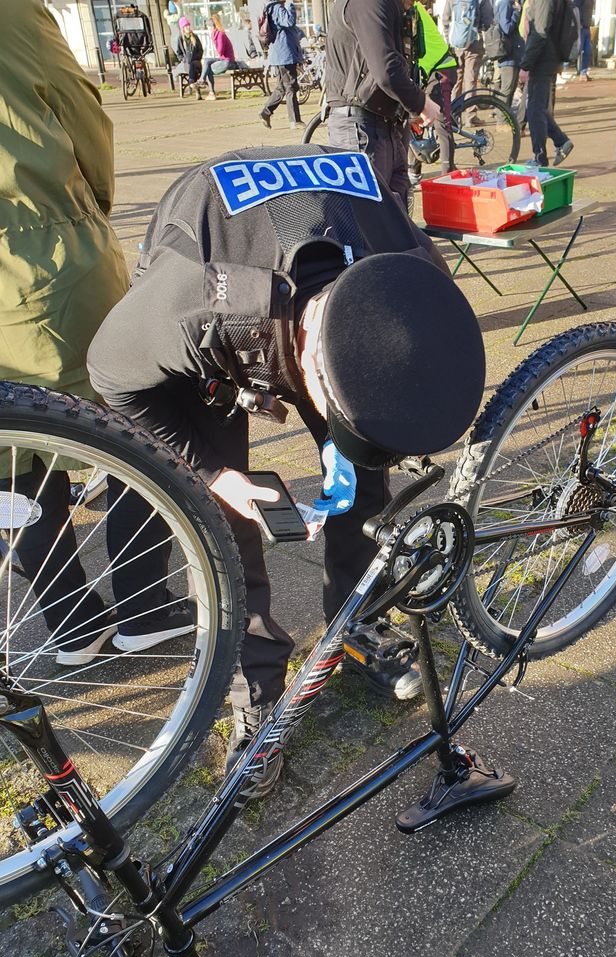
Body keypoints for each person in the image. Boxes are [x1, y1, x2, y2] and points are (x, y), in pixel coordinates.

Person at [87, 145, 485, 788]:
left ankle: (356, 626)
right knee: (231, 524)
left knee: (364, 488)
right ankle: (258, 698)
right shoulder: (198, 306)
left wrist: (360, 443)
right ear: (298, 362)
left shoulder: (410, 268)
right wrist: (210, 473)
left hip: (334, 269)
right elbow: (111, 371)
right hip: (216, 300)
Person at [0, 0, 193, 665]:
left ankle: (72, 623)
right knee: (134, 417)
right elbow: (84, 118)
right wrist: (87, 212)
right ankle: (146, 603)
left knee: (13, 458)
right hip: (41, 256)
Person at [323, 0, 441, 209]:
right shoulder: (369, 3)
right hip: (360, 126)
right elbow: (386, 69)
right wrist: (421, 103)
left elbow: (394, 63)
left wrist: (406, 106)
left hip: (386, 122)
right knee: (370, 220)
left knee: (397, 220)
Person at [519, 0, 578, 166]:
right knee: (538, 108)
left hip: (542, 59)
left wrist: (526, 65)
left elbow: (540, 31)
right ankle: (561, 141)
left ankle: (540, 157)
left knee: (535, 110)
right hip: (546, 57)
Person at [410, 0, 458, 183]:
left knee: (440, 120)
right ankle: (414, 171)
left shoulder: (412, 8)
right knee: (414, 114)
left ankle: (448, 174)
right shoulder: (407, 7)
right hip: (426, 70)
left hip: (441, 68)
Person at [260, 0, 303, 129]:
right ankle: (294, 120)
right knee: (290, 86)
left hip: (279, 54)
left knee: (282, 87)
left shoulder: (272, 8)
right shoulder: (278, 8)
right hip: (285, 54)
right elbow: (289, 22)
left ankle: (265, 113)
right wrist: (290, 4)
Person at [197, 13, 239, 99]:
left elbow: (220, 51)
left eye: (208, 27)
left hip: (228, 61)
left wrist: (214, 40)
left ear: (212, 27)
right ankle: (203, 81)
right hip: (224, 59)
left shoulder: (220, 35)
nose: (208, 30)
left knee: (207, 66)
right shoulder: (218, 34)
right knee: (207, 61)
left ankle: (210, 92)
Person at [492, 0, 525, 106]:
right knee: (507, 89)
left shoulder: (512, 3)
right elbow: (506, 28)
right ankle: (501, 119)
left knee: (511, 89)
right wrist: (517, 12)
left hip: (515, 53)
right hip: (508, 55)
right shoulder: (505, 3)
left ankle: (506, 118)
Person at [175, 16, 205, 97]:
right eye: (185, 26)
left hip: (196, 62)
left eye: (188, 25)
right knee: (190, 65)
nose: (188, 27)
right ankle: (196, 90)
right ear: (182, 28)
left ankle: (191, 82)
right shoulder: (180, 39)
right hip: (186, 63)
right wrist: (184, 59)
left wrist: (197, 57)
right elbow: (179, 53)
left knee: (193, 64)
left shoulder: (194, 37)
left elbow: (201, 50)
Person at [573, 0, 593, 79]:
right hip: (580, 27)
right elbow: (575, 8)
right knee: (577, 50)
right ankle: (563, 68)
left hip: (587, 27)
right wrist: (578, 23)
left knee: (588, 51)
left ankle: (583, 72)